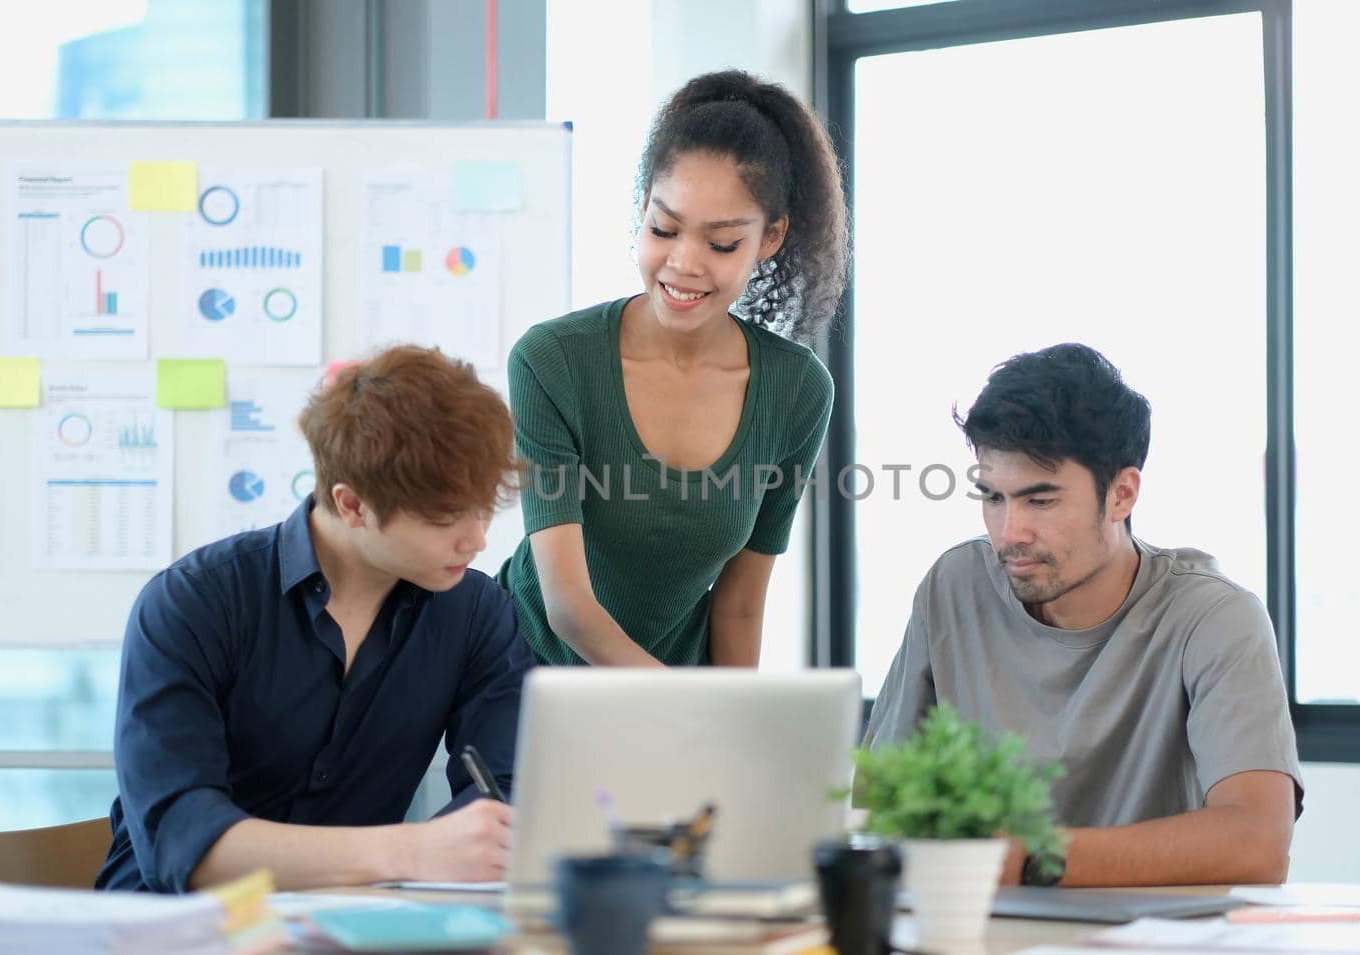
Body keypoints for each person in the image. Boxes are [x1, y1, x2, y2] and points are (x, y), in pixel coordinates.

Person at [96, 346, 537, 893]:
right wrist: (412, 851)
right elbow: (183, 844)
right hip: (177, 927)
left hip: (359, 920)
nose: (477, 539)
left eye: (482, 509)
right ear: (351, 504)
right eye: (445, 518)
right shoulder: (193, 604)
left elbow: (505, 795)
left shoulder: (475, 613)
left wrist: (462, 846)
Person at [864, 343, 1303, 887]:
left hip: (1151, 940)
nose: (1009, 533)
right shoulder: (953, 588)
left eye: (1040, 501)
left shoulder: (1214, 617)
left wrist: (1026, 859)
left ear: (1121, 494)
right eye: (993, 498)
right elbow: (876, 808)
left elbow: (1257, 845)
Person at [498, 70, 848, 667]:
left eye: (721, 244)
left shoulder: (797, 390)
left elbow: (739, 607)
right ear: (643, 210)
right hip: (529, 676)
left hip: (675, 683)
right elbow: (567, 605)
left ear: (771, 238)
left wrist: (724, 731)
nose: (683, 263)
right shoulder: (553, 360)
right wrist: (678, 707)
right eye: (664, 228)